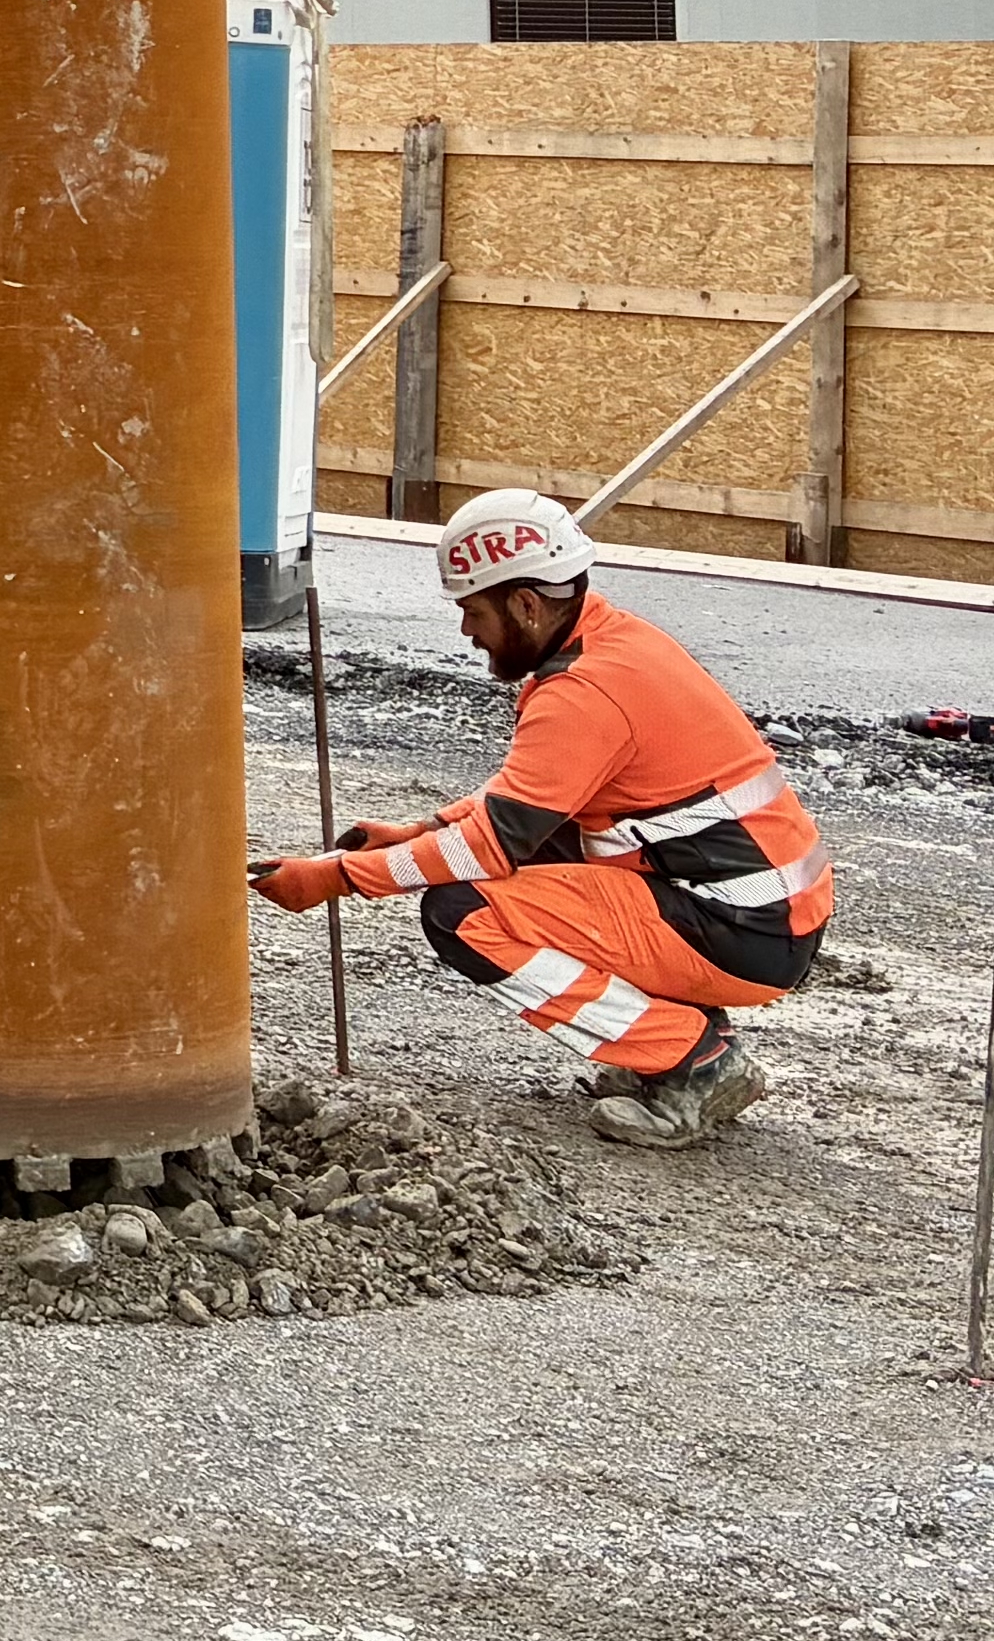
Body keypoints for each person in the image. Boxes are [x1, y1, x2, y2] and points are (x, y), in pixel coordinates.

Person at [246, 487, 831, 1149]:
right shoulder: (610, 646)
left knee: (462, 911)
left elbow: (491, 846)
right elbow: (533, 799)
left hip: (746, 930)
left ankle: (693, 1058)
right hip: (755, 911)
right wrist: (422, 830)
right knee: (531, 851)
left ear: (525, 605)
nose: (467, 631)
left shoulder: (585, 692)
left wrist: (339, 878)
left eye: (474, 611)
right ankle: (681, 1036)